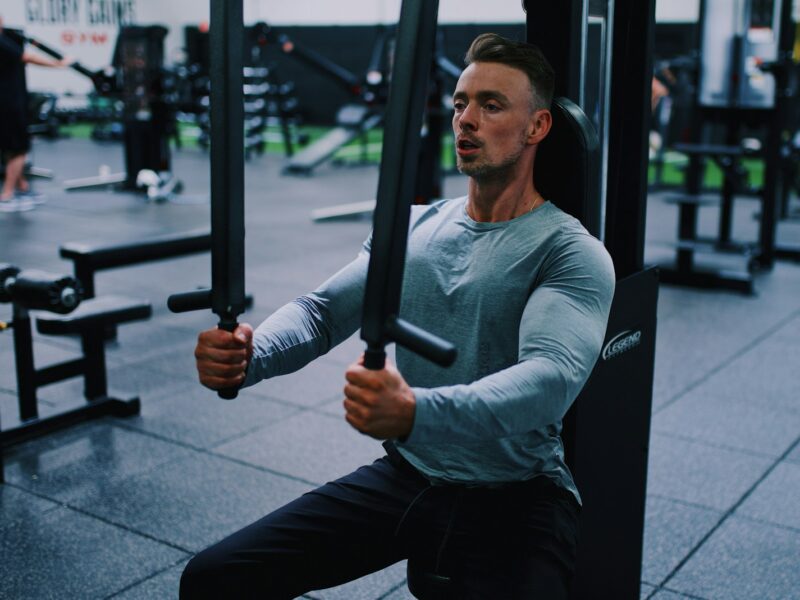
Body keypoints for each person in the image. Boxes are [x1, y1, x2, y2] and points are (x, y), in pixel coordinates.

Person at [181, 33, 615, 599]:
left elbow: (550, 377)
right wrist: (250, 355)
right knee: (213, 580)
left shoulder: (568, 250)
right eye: (461, 103)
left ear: (537, 127)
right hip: (412, 475)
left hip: (519, 495)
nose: (466, 120)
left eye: (491, 105)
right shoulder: (410, 228)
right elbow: (319, 315)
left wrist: (414, 412)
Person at [0, 16, 72, 209]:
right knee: (20, 148)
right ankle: (7, 195)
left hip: (9, 101)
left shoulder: (8, 38)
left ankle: (21, 187)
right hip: (10, 103)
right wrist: (59, 64)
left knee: (11, 147)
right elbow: (27, 57)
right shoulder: (2, 43)